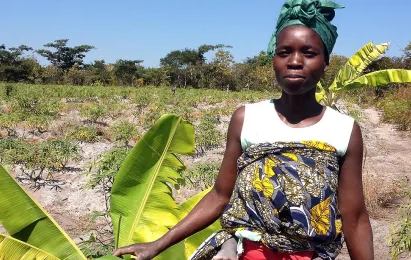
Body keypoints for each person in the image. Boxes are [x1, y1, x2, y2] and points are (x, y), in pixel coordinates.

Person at [113, 0, 374, 259]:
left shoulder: (343, 130)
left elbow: (355, 218)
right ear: (273, 60)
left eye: (309, 53)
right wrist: (157, 244)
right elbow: (219, 195)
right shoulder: (247, 119)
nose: (295, 61)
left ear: (326, 61)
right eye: (284, 52)